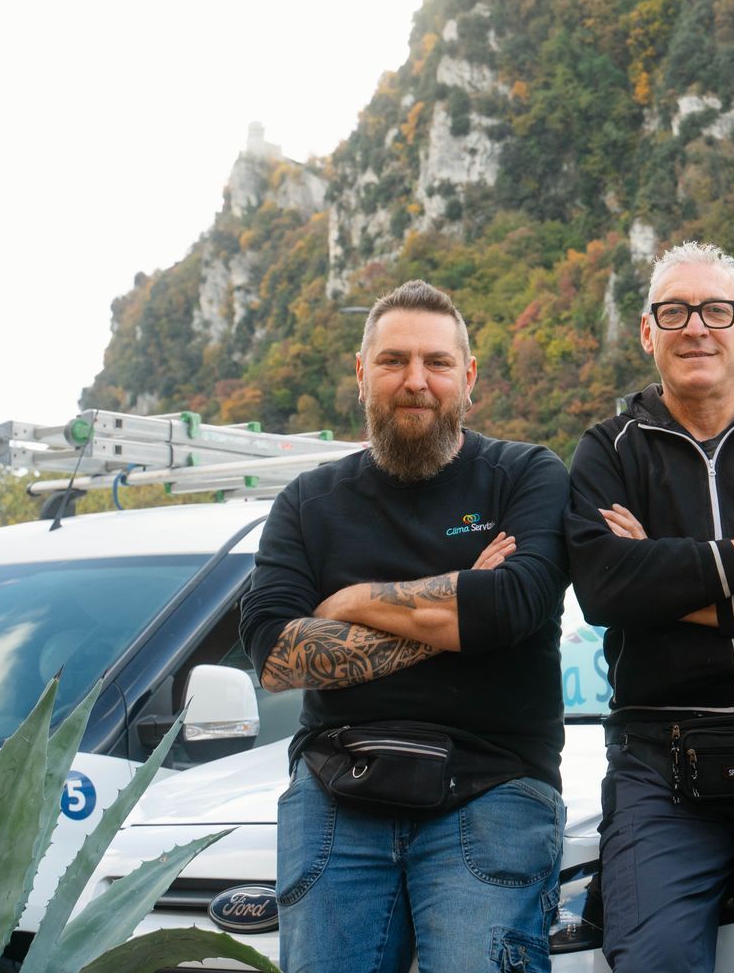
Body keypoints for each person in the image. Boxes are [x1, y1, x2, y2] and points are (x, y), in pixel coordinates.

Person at [241, 278, 571, 973]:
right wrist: (458, 611)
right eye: (393, 361)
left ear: (468, 377)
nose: (415, 381)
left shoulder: (525, 475)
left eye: (437, 363)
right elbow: (274, 654)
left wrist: (351, 598)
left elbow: (515, 605)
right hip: (337, 787)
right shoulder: (308, 502)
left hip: (493, 785)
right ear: (362, 375)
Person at [565, 241, 734, 973]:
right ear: (648, 332)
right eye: (673, 312)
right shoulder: (609, 450)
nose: (695, 327)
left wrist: (663, 574)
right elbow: (607, 591)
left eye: (716, 310)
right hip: (656, 758)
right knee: (654, 961)